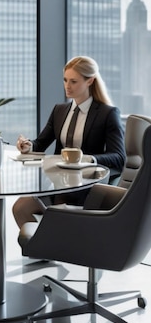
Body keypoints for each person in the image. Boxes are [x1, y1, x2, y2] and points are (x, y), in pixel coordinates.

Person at [12, 56, 125, 228]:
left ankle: (58, 247)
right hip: (56, 183)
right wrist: (29, 146)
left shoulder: (107, 114)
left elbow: (118, 157)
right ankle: (44, 247)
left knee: (59, 214)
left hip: (85, 186)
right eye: (65, 80)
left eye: (73, 81)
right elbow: (40, 143)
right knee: (20, 207)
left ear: (90, 81)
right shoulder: (60, 110)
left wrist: (87, 159)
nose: (67, 86)